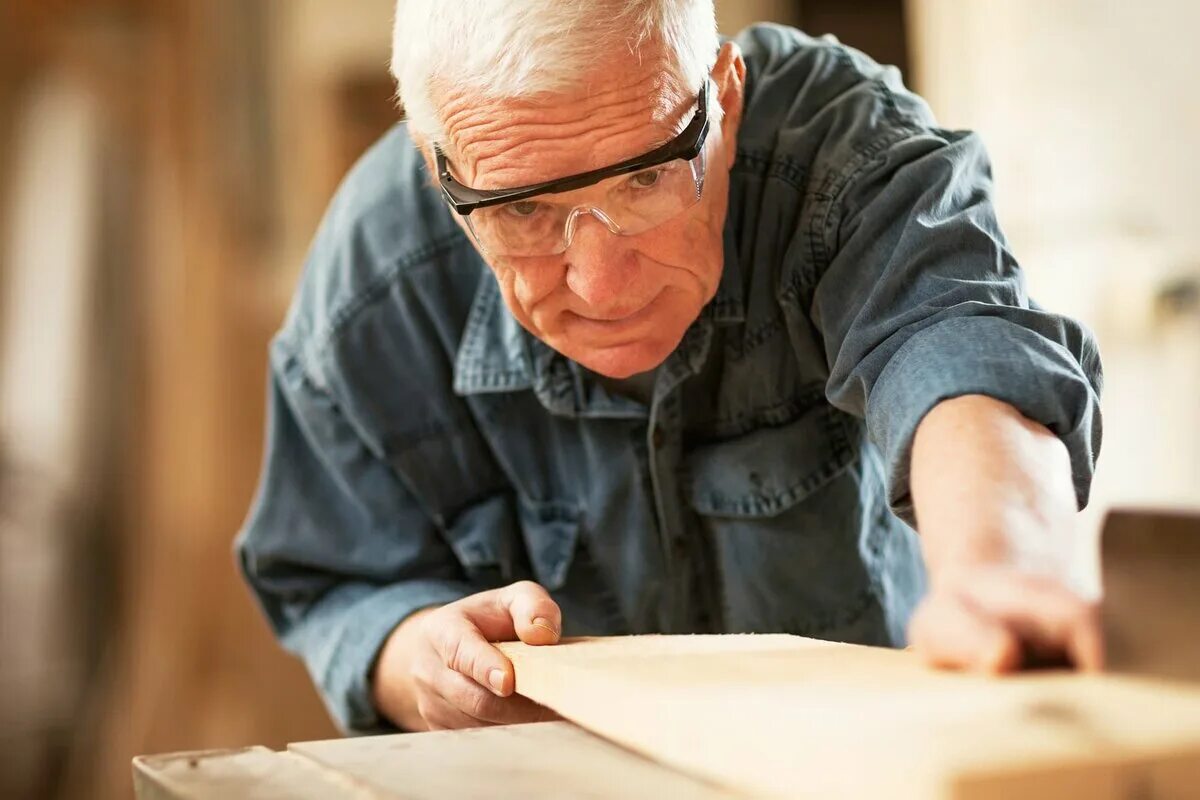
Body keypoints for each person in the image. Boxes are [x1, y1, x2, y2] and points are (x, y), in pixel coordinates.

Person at [237, 0, 1103, 734]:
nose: (601, 283)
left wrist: (999, 570)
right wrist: (411, 656)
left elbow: (957, 345)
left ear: (722, 98)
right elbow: (331, 583)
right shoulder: (372, 290)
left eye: (646, 179)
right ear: (440, 169)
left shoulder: (845, 152)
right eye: (524, 209)